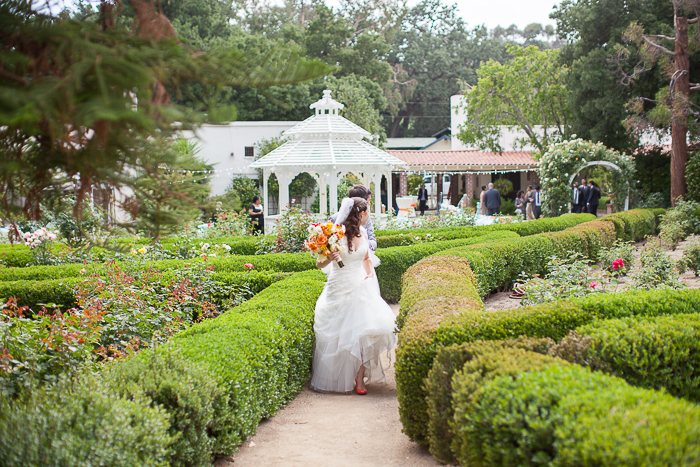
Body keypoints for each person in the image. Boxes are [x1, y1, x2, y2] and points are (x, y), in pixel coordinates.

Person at [311, 197, 398, 394]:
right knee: (340, 332)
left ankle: (360, 379)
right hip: (339, 286)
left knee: (364, 330)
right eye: (368, 212)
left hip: (359, 284)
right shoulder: (334, 234)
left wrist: (369, 274)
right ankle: (342, 376)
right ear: (360, 214)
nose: (369, 216)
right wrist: (329, 258)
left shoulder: (363, 233)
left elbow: (366, 258)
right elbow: (319, 264)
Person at [330, 185, 377, 251]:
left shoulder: (366, 219)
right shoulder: (334, 219)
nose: (369, 204)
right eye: (368, 201)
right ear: (362, 201)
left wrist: (362, 243)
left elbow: (373, 241)